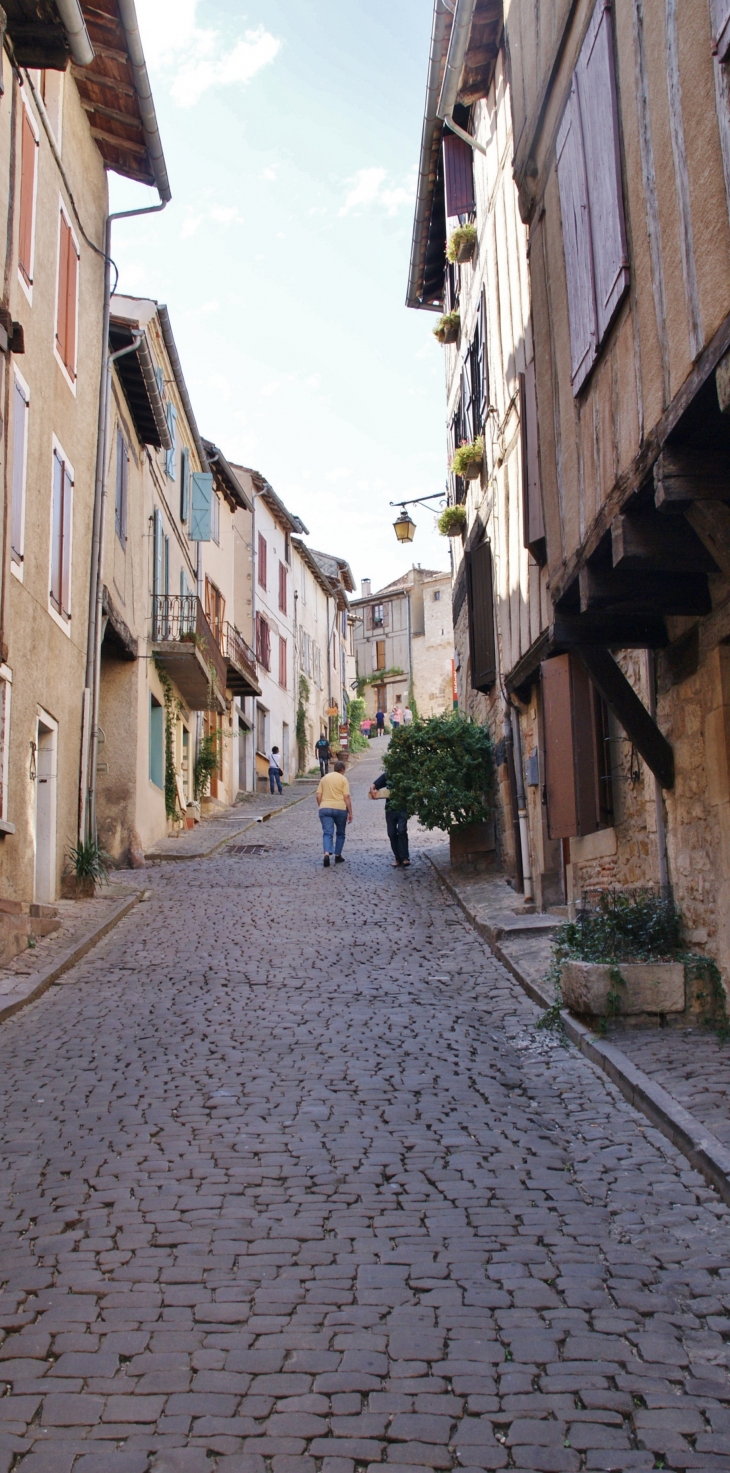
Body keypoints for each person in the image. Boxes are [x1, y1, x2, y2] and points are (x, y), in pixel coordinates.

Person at [370, 772, 410, 868]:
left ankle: (405, 857)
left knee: (401, 830)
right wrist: (372, 789)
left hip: (403, 807)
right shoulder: (389, 774)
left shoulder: (407, 773)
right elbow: (375, 784)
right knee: (391, 833)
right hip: (390, 808)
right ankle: (397, 857)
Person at [316, 760, 352, 867]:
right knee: (340, 833)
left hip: (325, 808)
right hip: (340, 808)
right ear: (342, 770)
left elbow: (318, 795)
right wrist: (350, 812)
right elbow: (346, 797)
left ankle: (326, 854)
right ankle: (337, 855)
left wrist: (321, 805)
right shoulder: (343, 779)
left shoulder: (324, 778)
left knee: (327, 833)